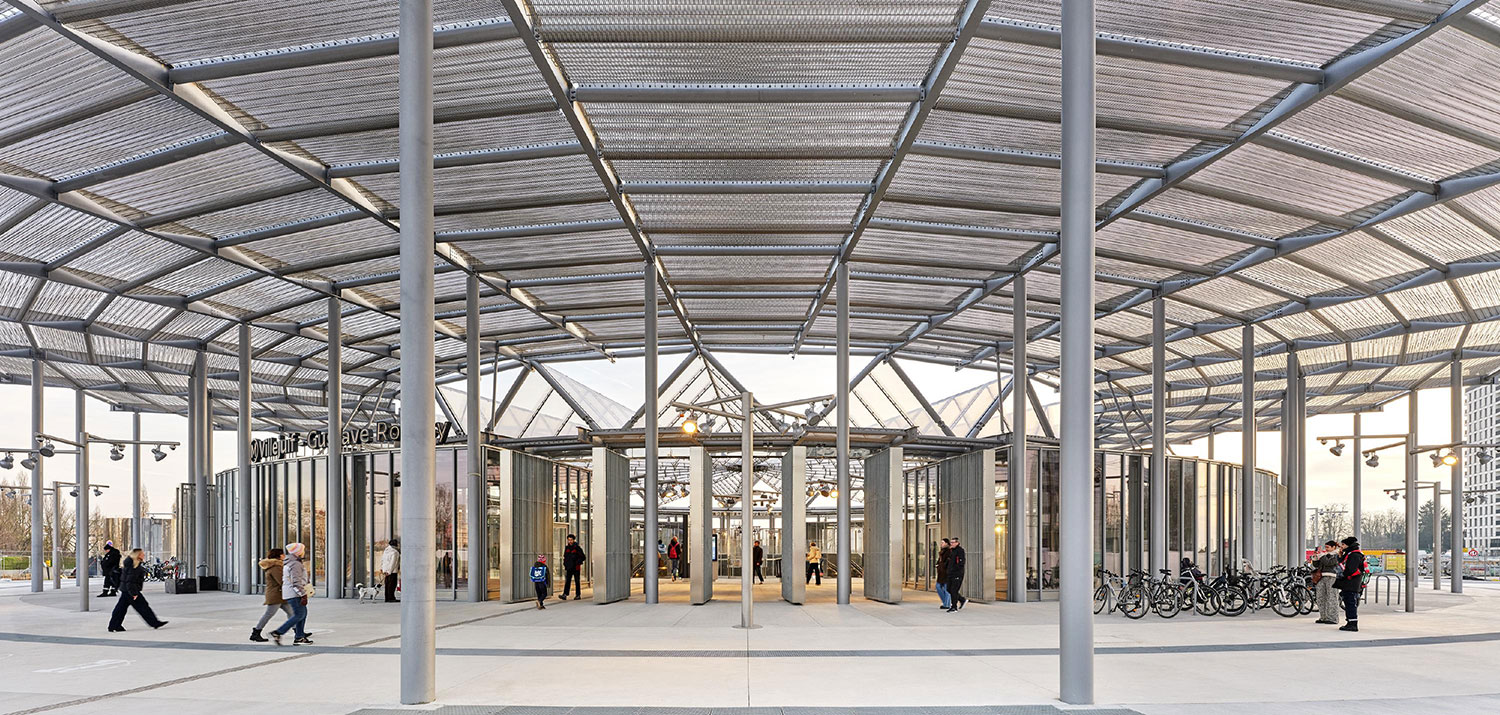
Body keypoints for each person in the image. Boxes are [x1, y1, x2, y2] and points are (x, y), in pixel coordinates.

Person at [107, 548, 167, 632]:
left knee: (121, 608)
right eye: (142, 553)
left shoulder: (131, 563)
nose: (144, 555)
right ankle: (154, 623)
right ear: (137, 555)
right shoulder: (133, 566)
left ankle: (114, 625)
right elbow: (130, 581)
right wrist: (133, 593)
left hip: (127, 590)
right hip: (130, 590)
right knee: (143, 607)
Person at [269, 542, 311, 646]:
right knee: (299, 614)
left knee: (302, 614)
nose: (304, 552)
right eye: (302, 550)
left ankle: (300, 637)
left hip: (292, 592)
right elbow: (296, 581)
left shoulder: (292, 562)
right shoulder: (295, 564)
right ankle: (278, 632)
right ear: (298, 552)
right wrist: (302, 594)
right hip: (294, 593)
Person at [250, 548, 291, 642]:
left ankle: (299, 632)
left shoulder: (276, 566)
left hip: (280, 594)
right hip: (275, 595)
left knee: (292, 613)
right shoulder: (276, 567)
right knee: (268, 614)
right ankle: (256, 632)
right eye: (283, 554)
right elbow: (281, 580)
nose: (284, 556)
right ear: (279, 555)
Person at [1334, 536, 1366, 632]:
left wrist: (1343, 575)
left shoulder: (1354, 555)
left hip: (1352, 582)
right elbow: (1342, 563)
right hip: (1349, 582)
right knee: (1348, 602)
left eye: (1343, 544)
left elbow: (1350, 569)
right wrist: (1340, 556)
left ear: (1349, 545)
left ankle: (1352, 624)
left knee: (1351, 602)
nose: (1341, 546)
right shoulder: (1350, 554)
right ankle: (1349, 622)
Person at [1312, 540, 1341, 625]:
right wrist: (1315, 557)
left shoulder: (1337, 555)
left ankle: (1333, 618)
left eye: (1328, 547)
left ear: (1333, 547)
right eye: (1325, 547)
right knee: (1320, 597)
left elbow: (1328, 563)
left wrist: (1321, 555)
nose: (1326, 549)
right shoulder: (1324, 555)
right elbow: (1317, 565)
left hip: (1332, 577)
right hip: (1321, 577)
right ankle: (1323, 617)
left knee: (1332, 597)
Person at [945, 537, 967, 612]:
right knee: (948, 589)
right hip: (950, 573)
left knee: (954, 590)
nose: (952, 544)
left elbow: (961, 563)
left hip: (957, 573)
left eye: (953, 542)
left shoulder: (960, 551)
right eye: (951, 542)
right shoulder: (951, 551)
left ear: (957, 543)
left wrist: (955, 569)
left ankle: (954, 606)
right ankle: (961, 599)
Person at [562, 534, 586, 600]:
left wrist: (577, 562)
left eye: (571, 540)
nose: (570, 541)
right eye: (568, 540)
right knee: (567, 581)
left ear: (573, 540)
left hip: (576, 567)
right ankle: (565, 594)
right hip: (569, 567)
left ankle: (578, 595)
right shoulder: (567, 548)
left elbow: (583, 557)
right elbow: (565, 556)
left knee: (577, 581)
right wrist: (565, 564)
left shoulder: (577, 548)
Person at [380, 538, 401, 603]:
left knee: (387, 584)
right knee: (392, 585)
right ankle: (391, 598)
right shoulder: (395, 552)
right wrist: (389, 571)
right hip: (392, 571)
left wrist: (382, 569)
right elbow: (393, 563)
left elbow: (382, 560)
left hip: (385, 570)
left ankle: (387, 598)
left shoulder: (386, 551)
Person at [935, 538, 952, 610]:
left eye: (943, 542)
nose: (941, 544)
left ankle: (946, 604)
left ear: (947, 543)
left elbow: (948, 562)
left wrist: (941, 566)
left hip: (946, 572)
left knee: (946, 588)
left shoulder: (949, 552)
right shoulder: (942, 551)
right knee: (938, 587)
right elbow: (940, 561)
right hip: (941, 572)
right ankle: (945, 602)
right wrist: (937, 565)